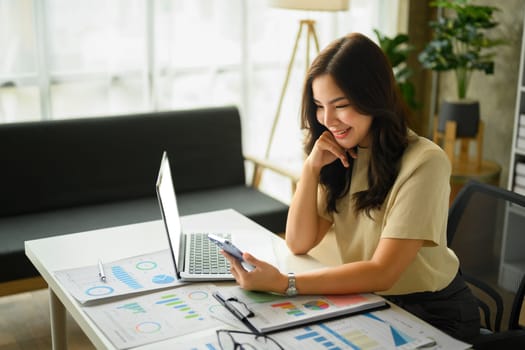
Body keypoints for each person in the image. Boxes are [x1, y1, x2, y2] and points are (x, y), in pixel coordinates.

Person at [221, 32, 480, 342]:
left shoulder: (425, 162)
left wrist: (286, 283)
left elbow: (383, 272)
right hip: (371, 299)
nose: (328, 119)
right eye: (319, 105)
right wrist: (311, 168)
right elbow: (299, 242)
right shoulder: (343, 153)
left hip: (432, 312)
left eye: (340, 105)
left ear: (373, 97)